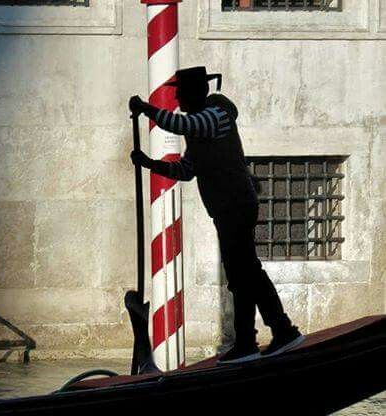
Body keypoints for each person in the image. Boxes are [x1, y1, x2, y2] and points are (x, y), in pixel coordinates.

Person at [129, 66, 302, 362]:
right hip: (226, 209)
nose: (178, 99)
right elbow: (186, 170)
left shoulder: (216, 115)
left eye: (180, 94)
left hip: (236, 206)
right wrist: (150, 163)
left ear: (196, 93)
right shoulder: (201, 129)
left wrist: (147, 109)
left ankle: (273, 333)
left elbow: (182, 125)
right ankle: (258, 338)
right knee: (243, 275)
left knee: (245, 273)